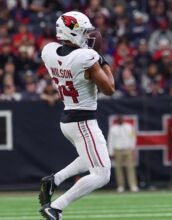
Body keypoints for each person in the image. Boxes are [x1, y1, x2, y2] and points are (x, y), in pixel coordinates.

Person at [38, 11, 115, 219]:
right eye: (83, 32)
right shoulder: (85, 58)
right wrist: (103, 61)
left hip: (69, 119)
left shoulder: (49, 51)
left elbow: (67, 59)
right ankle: (56, 207)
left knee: (90, 158)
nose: (87, 36)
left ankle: (54, 180)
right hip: (83, 121)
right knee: (102, 174)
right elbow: (109, 89)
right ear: (70, 33)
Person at [108, 115, 138, 193]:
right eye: (119, 119)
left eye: (121, 119)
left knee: (130, 167)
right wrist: (111, 152)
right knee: (118, 168)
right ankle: (121, 186)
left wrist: (132, 148)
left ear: (123, 120)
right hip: (117, 150)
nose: (120, 120)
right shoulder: (113, 128)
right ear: (117, 120)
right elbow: (110, 140)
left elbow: (133, 137)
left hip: (127, 149)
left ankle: (133, 185)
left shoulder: (129, 127)